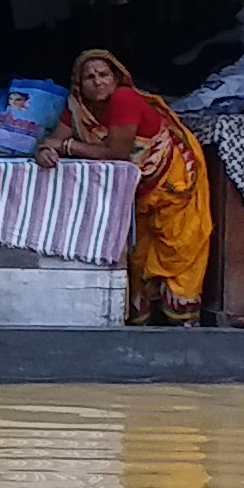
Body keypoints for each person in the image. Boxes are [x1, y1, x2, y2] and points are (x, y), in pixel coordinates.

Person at [39, 44, 214, 322]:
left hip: (170, 181)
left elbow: (116, 154)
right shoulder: (77, 108)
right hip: (138, 191)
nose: (98, 82)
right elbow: (53, 140)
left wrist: (68, 147)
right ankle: (144, 327)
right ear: (79, 84)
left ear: (116, 78)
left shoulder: (124, 99)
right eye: (90, 77)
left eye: (104, 75)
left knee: (178, 249)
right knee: (140, 255)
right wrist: (46, 150)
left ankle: (184, 328)